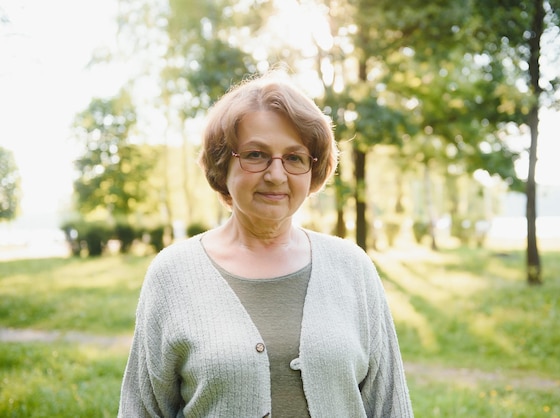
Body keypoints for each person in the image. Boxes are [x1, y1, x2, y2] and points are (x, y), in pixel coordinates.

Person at [118, 72, 414, 417]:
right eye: (256, 155)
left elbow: (389, 405)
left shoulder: (352, 267)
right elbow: (143, 409)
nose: (276, 175)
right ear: (222, 163)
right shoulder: (173, 274)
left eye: (294, 157)